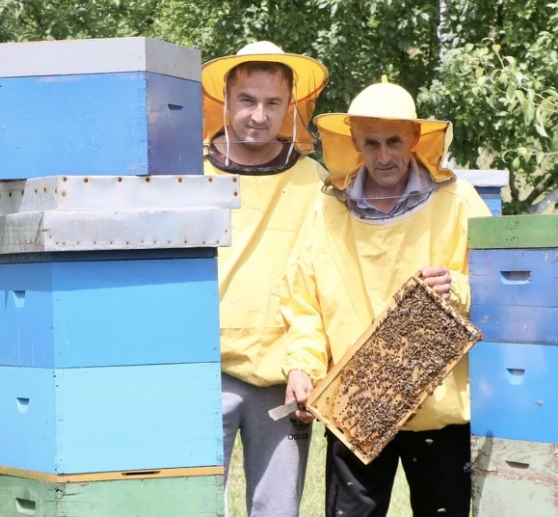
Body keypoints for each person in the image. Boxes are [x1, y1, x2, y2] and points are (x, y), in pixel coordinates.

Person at [281, 78, 491, 517]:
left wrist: (459, 286)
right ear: (354, 142)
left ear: (415, 137)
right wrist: (302, 365)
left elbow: (499, 287)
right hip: (356, 406)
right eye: (370, 143)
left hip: (439, 409)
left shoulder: (458, 201)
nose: (383, 155)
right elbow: (304, 300)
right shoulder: (328, 209)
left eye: (394, 141)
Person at [201, 41, 328, 517]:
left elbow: (322, 281)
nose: (259, 114)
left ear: (290, 107)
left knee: (276, 511)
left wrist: (307, 365)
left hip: (283, 378)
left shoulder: (314, 180)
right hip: (198, 368)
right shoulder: (189, 176)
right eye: (247, 100)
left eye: (273, 102)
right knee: (186, 501)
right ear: (226, 102)